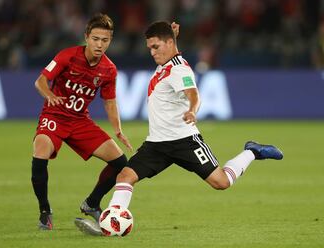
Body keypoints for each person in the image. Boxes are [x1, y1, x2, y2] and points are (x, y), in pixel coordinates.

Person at [76, 21, 283, 236]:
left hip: (185, 141)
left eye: (156, 47)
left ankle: (252, 151)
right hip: (156, 144)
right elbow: (170, 48)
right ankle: (111, 224)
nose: (152, 52)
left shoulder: (178, 70)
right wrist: (171, 36)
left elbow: (193, 93)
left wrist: (193, 110)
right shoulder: (168, 60)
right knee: (125, 176)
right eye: (149, 48)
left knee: (221, 182)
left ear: (168, 43)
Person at [31, 13, 133, 230]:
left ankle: (92, 203)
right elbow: (40, 81)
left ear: (110, 41)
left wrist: (118, 130)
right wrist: (49, 94)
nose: (99, 44)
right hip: (55, 116)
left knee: (120, 162)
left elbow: (110, 102)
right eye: (95, 39)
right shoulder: (67, 56)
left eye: (104, 40)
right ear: (86, 37)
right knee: (40, 152)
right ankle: (45, 212)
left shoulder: (109, 69)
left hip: (80, 121)